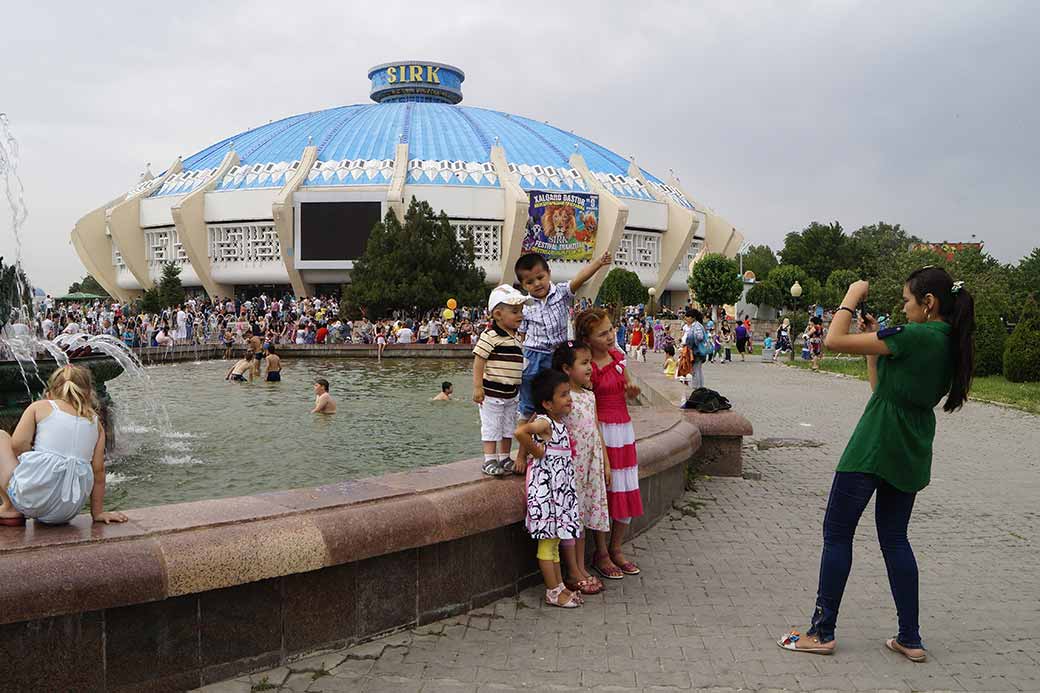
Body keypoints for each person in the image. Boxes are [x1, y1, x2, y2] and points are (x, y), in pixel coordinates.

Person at [777, 269, 976, 662]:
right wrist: (874, 343)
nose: (904, 307)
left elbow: (833, 339)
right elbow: (880, 388)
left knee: (837, 534)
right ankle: (910, 638)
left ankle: (821, 631)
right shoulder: (948, 341)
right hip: (910, 446)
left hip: (874, 443)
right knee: (895, 539)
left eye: (907, 300)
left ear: (929, 303)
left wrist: (850, 297)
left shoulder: (915, 336)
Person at [0, 365, 128, 526]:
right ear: (89, 394)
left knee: (1, 437)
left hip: (30, 500)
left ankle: (10, 507)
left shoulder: (40, 407)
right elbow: (99, 471)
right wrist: (98, 513)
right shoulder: (95, 423)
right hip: (67, 510)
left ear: (49, 393)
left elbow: (18, 445)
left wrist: (32, 462)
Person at [575, 307, 643, 581]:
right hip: (601, 430)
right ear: (588, 339)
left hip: (623, 430)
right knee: (603, 492)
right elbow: (586, 401)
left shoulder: (618, 358)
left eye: (611, 330)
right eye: (602, 333)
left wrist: (632, 392)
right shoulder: (587, 366)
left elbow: (628, 389)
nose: (610, 336)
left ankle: (617, 547)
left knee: (625, 488)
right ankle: (601, 552)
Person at [513, 369, 583, 608]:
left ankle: (560, 586)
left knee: (553, 542)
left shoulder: (558, 424)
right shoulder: (545, 422)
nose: (569, 399)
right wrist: (536, 451)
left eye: (568, 393)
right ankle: (552, 590)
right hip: (546, 492)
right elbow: (520, 431)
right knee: (547, 542)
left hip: (558, 491)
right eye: (563, 395)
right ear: (547, 403)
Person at [514, 251, 612, 418]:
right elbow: (521, 335)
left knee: (558, 396)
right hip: (534, 355)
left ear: (549, 274)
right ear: (523, 285)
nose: (537, 284)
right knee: (529, 401)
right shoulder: (524, 305)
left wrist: (598, 263)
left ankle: (557, 434)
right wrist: (520, 358)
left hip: (557, 355)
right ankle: (525, 434)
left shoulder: (560, 293)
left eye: (540, 277)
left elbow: (579, 278)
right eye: (530, 282)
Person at [553, 341, 610, 597]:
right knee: (570, 518)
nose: (590, 367)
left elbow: (596, 430)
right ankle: (573, 570)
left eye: (590, 362)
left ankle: (581, 566)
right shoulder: (563, 398)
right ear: (566, 368)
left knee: (583, 516)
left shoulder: (589, 395)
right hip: (571, 467)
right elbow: (540, 424)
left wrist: (606, 463)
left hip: (590, 466)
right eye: (583, 363)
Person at [472, 285, 532, 476]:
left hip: (511, 394)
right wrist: (477, 387)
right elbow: (479, 361)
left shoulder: (516, 337)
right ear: (498, 314)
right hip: (492, 392)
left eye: (521, 310)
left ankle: (505, 456)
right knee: (491, 426)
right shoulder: (490, 336)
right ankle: (489, 459)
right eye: (515, 311)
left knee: (508, 426)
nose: (520, 315)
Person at [683, 308, 707, 389]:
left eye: (688, 317)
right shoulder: (695, 325)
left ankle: (697, 387)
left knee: (696, 370)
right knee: (697, 370)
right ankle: (699, 387)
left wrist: (690, 342)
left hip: (697, 352)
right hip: (697, 351)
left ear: (693, 318)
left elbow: (700, 337)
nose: (686, 318)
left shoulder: (696, 326)